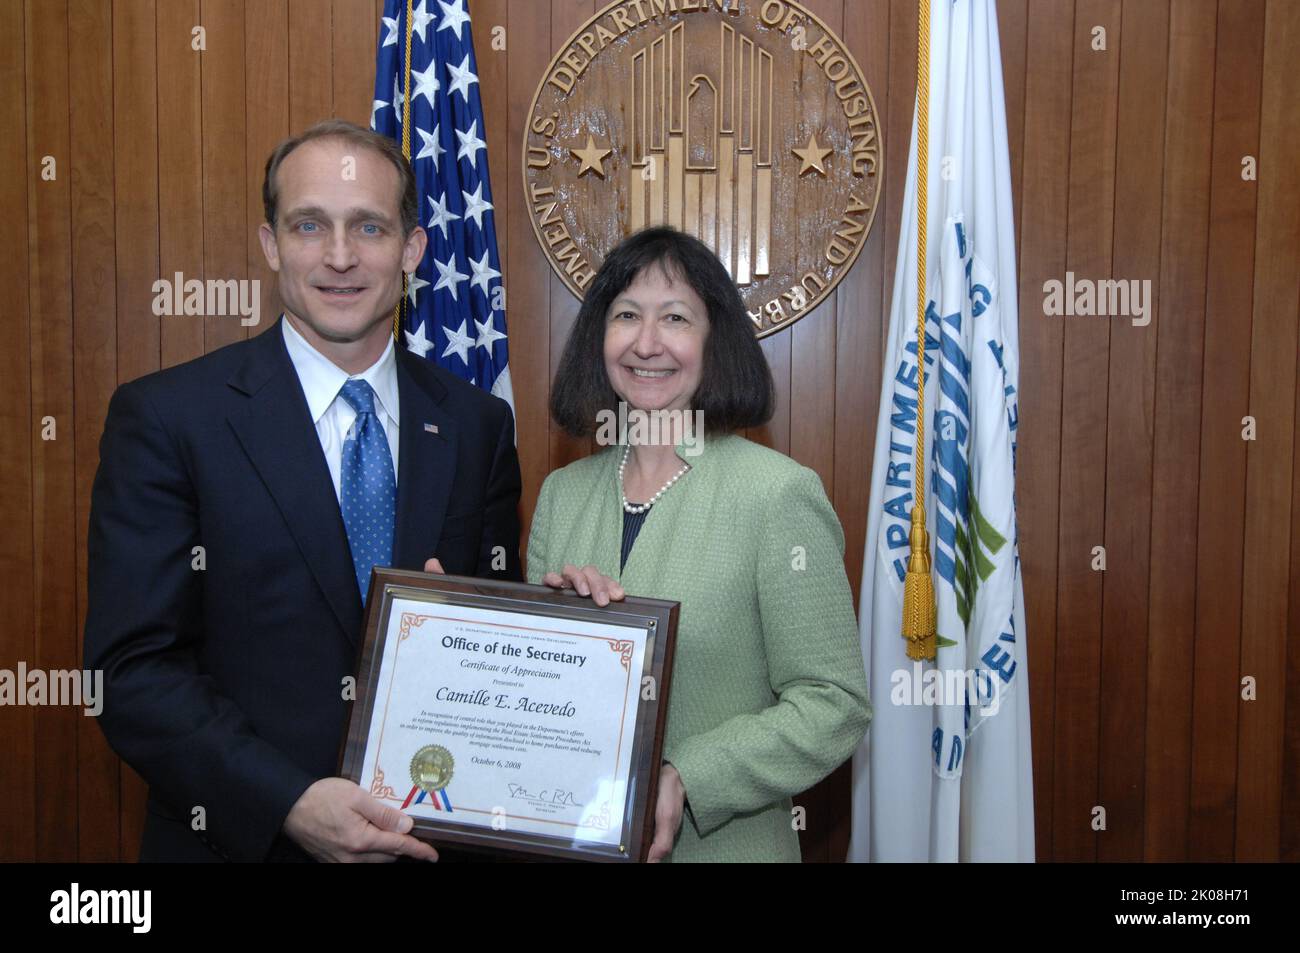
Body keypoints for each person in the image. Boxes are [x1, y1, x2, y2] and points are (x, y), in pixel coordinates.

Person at [84, 119, 521, 863]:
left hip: (429, 843)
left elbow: (496, 656)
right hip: (237, 845)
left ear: (412, 250)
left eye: (370, 227)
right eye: (310, 225)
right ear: (270, 245)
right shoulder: (168, 417)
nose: (341, 257)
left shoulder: (478, 425)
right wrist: (283, 799)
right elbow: (130, 674)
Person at [528, 226, 871, 862]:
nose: (647, 343)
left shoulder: (778, 495)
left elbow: (835, 705)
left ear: (715, 342)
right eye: (626, 314)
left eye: (676, 318)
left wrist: (689, 777)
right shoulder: (562, 495)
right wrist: (522, 628)